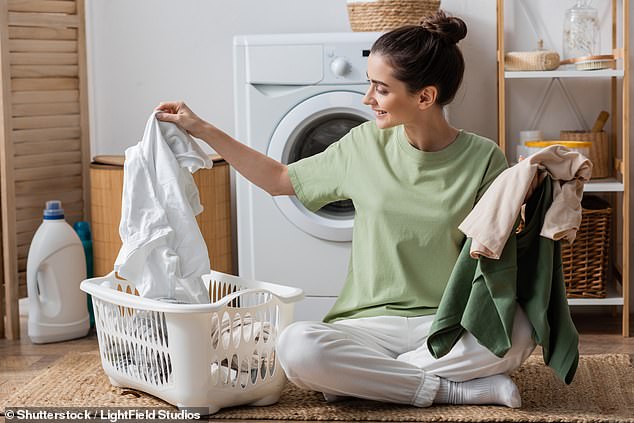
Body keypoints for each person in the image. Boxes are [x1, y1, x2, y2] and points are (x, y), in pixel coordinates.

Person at [156, 10, 536, 408]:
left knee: (521, 329)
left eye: (380, 89)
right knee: (298, 347)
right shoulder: (362, 145)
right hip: (368, 325)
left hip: (447, 321)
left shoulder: (483, 158)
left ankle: (368, 379)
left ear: (425, 97)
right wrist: (202, 128)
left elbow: (497, 247)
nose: (367, 99)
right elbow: (278, 179)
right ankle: (451, 389)